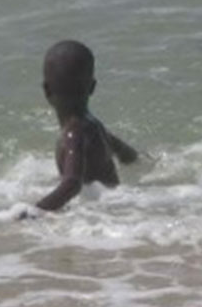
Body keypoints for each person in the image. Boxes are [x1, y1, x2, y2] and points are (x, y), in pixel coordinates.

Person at [20, 40, 140, 216]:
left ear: (46, 90)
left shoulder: (73, 133)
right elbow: (128, 154)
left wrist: (36, 211)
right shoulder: (93, 126)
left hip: (101, 215)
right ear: (92, 87)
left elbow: (72, 183)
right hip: (113, 207)